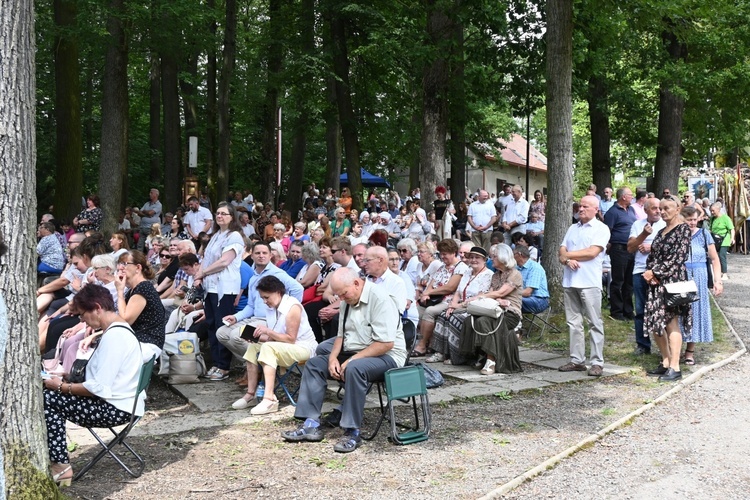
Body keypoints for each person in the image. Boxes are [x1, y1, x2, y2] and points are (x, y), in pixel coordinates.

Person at [281, 268, 406, 454]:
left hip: (387, 356)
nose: (342, 298)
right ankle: (310, 424)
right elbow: (340, 336)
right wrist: (332, 359)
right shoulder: (347, 299)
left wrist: (352, 360)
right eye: (338, 294)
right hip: (356, 350)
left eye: (344, 293)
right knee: (315, 363)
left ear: (356, 283)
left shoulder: (380, 299)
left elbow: (385, 344)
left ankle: (352, 430)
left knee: (354, 368)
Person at [42, 284, 146, 486]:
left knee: (48, 399)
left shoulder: (115, 337)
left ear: (97, 308)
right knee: (50, 392)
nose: (81, 320)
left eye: (82, 315)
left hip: (114, 408)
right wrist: (67, 377)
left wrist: (61, 387)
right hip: (122, 402)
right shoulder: (118, 330)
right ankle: (58, 460)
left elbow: (97, 388)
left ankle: (61, 465)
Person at [231, 276, 318, 414]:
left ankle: (269, 398)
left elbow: (290, 339)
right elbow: (274, 338)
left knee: (267, 348)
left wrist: (267, 331)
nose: (265, 301)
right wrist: (258, 337)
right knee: (253, 347)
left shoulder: (292, 307)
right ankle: (251, 394)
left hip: (304, 347)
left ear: (278, 292)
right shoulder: (272, 307)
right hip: (282, 346)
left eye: (267, 297)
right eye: (262, 298)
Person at [558, 195, 610, 377]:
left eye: (585, 206)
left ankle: (597, 362)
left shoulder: (601, 229)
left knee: (594, 322)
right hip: (570, 281)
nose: (581, 209)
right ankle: (577, 360)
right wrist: (566, 258)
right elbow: (561, 250)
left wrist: (568, 257)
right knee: (573, 322)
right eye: (580, 206)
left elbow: (592, 252)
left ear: (596, 209)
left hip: (589, 282)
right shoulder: (573, 228)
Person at [193, 203, 246, 381]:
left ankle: (223, 365)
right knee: (211, 324)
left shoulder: (235, 236)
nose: (220, 216)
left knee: (222, 325)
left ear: (232, 217)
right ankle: (215, 362)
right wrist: (200, 276)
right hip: (210, 287)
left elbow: (224, 262)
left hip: (225, 287)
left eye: (224, 213)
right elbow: (206, 259)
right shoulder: (215, 235)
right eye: (218, 213)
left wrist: (203, 273)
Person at [643, 197, 692, 382]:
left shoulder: (683, 230)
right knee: (657, 324)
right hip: (655, 283)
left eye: (667, 208)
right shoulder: (661, 230)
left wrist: (655, 272)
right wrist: (650, 273)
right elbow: (652, 255)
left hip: (673, 282)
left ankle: (675, 367)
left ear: (678, 208)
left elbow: (677, 258)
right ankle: (665, 362)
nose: (662, 212)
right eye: (660, 209)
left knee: (671, 323)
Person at [461, 244, 524, 374]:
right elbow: (494, 295)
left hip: (510, 313)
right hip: (494, 309)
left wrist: (482, 296)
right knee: (471, 320)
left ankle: (491, 360)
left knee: (484, 321)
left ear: (502, 257)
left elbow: (500, 292)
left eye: (494, 256)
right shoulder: (495, 275)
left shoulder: (515, 274)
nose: (491, 259)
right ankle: (480, 355)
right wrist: (497, 300)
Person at [426, 245, 494, 364]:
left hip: (474, 306)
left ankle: (456, 356)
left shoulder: (488, 275)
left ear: (484, 260)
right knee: (443, 315)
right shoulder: (468, 272)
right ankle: (441, 352)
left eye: (477, 257)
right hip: (460, 304)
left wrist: (458, 306)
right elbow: (458, 291)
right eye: (471, 257)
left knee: (455, 319)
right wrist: (452, 305)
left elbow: (480, 296)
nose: (473, 260)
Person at [410, 239, 469, 357]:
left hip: (449, 300)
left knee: (429, 312)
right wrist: (426, 293)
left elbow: (450, 287)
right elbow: (432, 282)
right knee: (416, 311)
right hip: (435, 299)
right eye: (441, 253)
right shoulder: (442, 267)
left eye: (445, 254)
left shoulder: (461, 268)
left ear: (453, 253)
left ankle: (422, 345)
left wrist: (430, 292)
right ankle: (430, 342)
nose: (442, 256)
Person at [680, 206, 723, 365]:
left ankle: (690, 350)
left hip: (699, 276)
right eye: (688, 219)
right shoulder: (677, 235)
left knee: (695, 312)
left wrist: (717, 281)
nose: (692, 223)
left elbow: (714, 259)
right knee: (678, 311)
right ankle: (675, 346)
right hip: (680, 276)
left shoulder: (704, 234)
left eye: (694, 219)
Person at [627, 197, 666, 355]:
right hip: (640, 271)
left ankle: (666, 346)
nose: (658, 211)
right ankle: (643, 344)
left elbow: (673, 249)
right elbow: (630, 248)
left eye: (660, 208)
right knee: (641, 309)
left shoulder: (666, 225)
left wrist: (652, 247)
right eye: (654, 208)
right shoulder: (638, 225)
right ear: (646, 210)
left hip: (659, 272)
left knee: (662, 309)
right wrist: (643, 234)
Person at [113, 251, 166, 360]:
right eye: (119, 264)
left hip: (147, 343)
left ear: (137, 267)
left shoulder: (143, 288)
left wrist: (119, 291)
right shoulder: (132, 290)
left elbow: (126, 320)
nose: (120, 268)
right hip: (136, 340)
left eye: (125, 264)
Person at [604, 187, 637, 321]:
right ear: (623, 197)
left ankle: (628, 310)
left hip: (631, 248)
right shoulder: (612, 212)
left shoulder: (631, 210)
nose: (632, 196)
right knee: (618, 280)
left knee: (629, 282)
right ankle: (617, 311)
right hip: (618, 248)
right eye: (630, 195)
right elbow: (607, 232)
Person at [513, 245, 549, 314]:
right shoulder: (517, 268)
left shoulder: (535, 267)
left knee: (511, 300)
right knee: (505, 301)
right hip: (524, 298)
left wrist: (509, 294)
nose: (512, 257)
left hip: (539, 300)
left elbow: (527, 292)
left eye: (513, 254)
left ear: (520, 254)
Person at [708, 201, 735, 280]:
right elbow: (711, 229)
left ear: (718, 209)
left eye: (713, 211)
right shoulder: (712, 219)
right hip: (715, 239)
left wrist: (732, 238)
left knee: (722, 255)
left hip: (724, 239)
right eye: (711, 211)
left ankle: (725, 273)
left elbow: (731, 229)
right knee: (714, 256)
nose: (712, 212)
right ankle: (717, 272)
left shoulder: (726, 218)